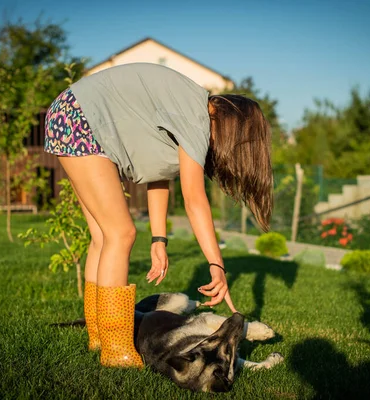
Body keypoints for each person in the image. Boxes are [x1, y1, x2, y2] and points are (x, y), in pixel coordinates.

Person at [43, 63, 273, 369]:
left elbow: (160, 176)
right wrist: (217, 265)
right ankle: (115, 350)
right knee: (120, 233)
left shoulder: (185, 114)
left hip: (69, 114)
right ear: (232, 125)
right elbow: (194, 200)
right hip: (80, 119)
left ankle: (98, 337)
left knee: (102, 235)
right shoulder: (197, 116)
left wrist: (159, 239)